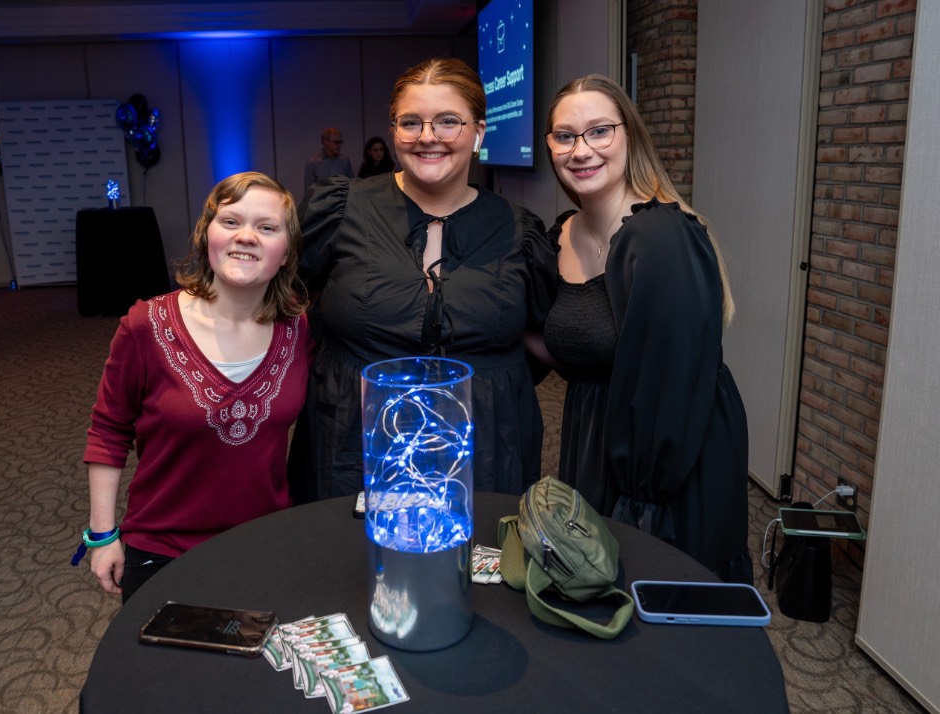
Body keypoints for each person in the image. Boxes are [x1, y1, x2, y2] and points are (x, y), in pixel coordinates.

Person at [292, 57, 557, 501]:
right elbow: (282, 299)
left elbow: (542, 338)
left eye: (448, 121)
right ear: (393, 131)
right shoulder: (340, 210)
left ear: (480, 133)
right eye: (410, 122)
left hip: (484, 449)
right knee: (341, 565)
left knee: (475, 564)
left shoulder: (518, 230)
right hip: (352, 448)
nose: (428, 137)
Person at [537, 74, 752, 584]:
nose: (580, 150)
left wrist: (639, 510)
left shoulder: (660, 235)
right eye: (564, 136)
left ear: (629, 136)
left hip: (664, 460)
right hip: (596, 435)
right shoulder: (561, 232)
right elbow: (567, 338)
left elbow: (670, 390)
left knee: (655, 597)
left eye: (599, 131)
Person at [81, 171, 312, 602]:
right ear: (207, 235)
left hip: (265, 542)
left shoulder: (298, 330)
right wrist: (102, 534)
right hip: (164, 550)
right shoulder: (145, 325)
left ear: (286, 253)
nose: (246, 236)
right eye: (231, 222)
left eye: (267, 227)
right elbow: (108, 432)